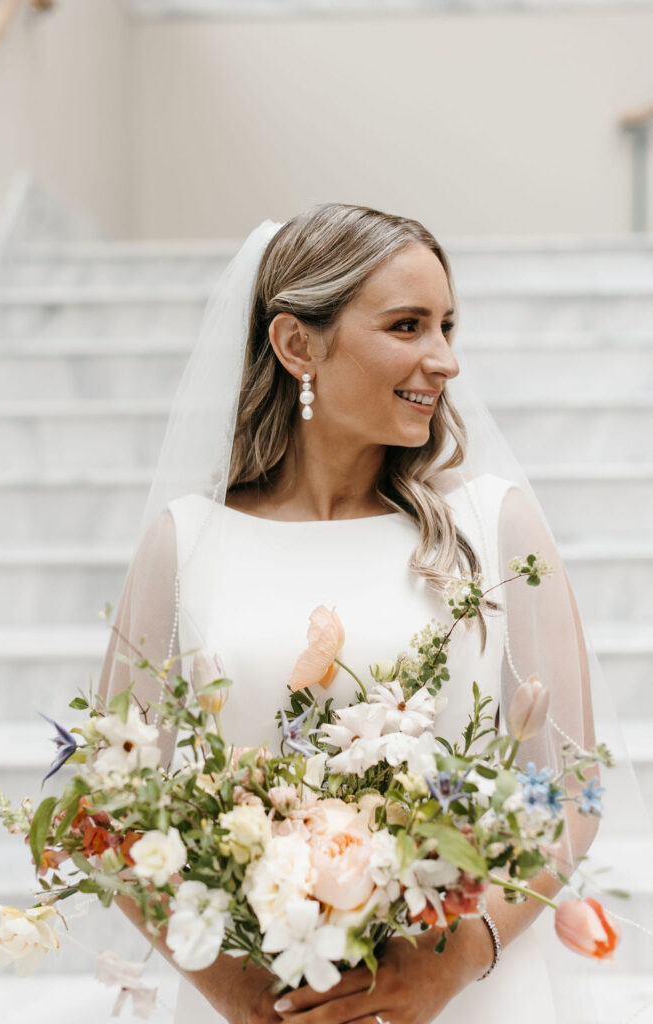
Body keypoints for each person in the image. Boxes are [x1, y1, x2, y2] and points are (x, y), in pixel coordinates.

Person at [97, 204, 651, 1024]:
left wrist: (455, 962)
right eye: (406, 325)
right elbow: (111, 810)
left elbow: (572, 794)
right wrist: (234, 990)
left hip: (467, 995)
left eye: (448, 327)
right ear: (296, 346)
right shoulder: (185, 542)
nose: (444, 360)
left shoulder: (492, 527)